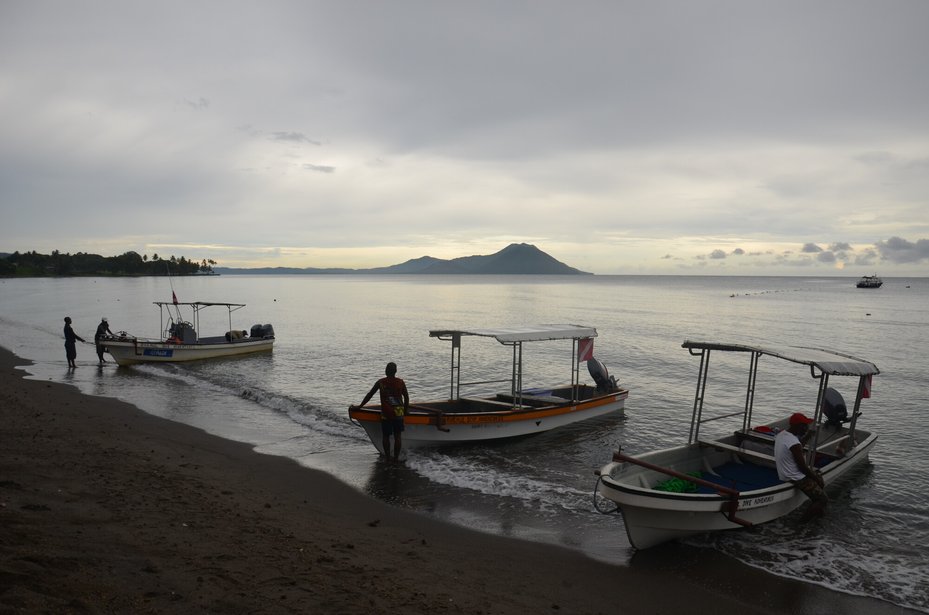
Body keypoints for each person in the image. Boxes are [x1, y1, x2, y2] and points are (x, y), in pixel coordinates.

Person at [775, 412, 827, 520]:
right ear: (798, 426)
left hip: (784, 473)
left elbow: (796, 447)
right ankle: (803, 524)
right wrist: (816, 478)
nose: (806, 428)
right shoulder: (794, 443)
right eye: (804, 426)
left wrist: (807, 436)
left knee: (817, 481)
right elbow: (802, 467)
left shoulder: (782, 435)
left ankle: (818, 512)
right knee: (823, 499)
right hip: (793, 476)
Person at [359, 362, 409, 462]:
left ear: (386, 371)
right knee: (397, 436)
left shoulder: (381, 382)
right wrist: (405, 411)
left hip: (386, 413)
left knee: (386, 436)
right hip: (399, 412)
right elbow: (406, 397)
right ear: (395, 371)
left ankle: (387, 458)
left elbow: (370, 395)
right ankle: (395, 458)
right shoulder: (400, 382)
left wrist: (360, 406)